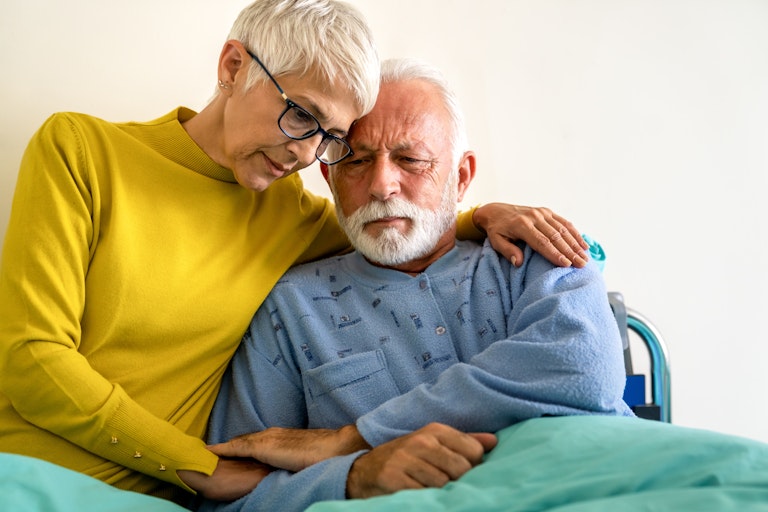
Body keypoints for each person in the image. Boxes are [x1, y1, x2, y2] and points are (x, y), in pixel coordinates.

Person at [0, 0, 589, 507]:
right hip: (36, 474)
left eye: (328, 137)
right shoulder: (82, 151)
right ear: (233, 67)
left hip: (165, 501)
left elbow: (395, 221)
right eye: (302, 114)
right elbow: (31, 357)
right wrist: (194, 466)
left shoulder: (291, 213)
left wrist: (481, 214)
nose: (307, 154)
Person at [199, 57, 633, 512]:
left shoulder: (541, 253)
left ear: (461, 176)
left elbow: (581, 371)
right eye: (358, 161)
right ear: (329, 178)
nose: (382, 185)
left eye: (411, 160)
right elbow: (230, 494)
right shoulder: (289, 308)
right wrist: (353, 477)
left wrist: (351, 439)